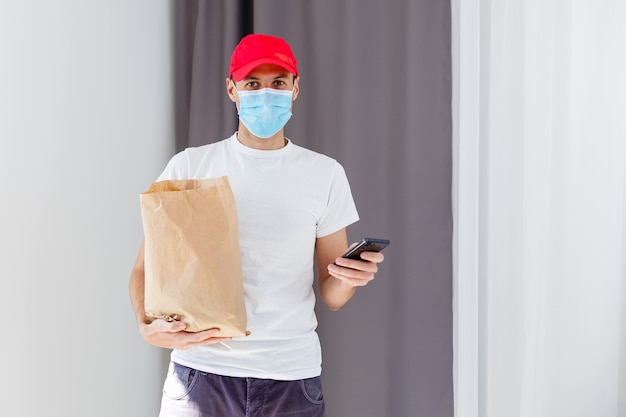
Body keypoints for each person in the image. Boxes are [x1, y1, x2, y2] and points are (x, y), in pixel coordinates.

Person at [129, 33, 385, 417]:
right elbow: (144, 268)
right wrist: (145, 324)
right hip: (201, 374)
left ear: (295, 89)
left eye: (278, 83)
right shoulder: (190, 166)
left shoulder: (324, 174)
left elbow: (331, 294)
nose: (266, 94)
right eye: (253, 84)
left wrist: (350, 276)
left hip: (291, 377)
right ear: (232, 90)